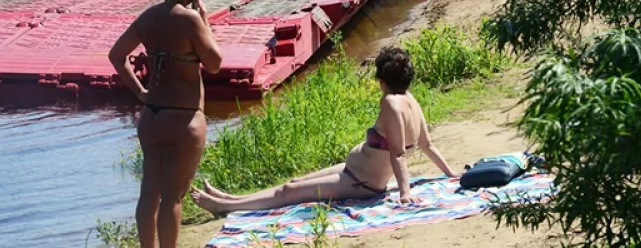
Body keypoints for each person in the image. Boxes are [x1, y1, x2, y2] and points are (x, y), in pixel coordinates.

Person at [190, 46, 456, 213]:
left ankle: (224, 206)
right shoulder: (412, 100)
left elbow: (398, 154)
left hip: (362, 182)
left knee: (287, 192)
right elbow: (427, 145)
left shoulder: (390, 103)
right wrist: (450, 173)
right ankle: (229, 197)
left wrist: (405, 193)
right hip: (354, 170)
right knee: (292, 184)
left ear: (381, 80)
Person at [108, 0, 223, 248]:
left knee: (149, 193)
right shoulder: (190, 19)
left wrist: (141, 93)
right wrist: (205, 22)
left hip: (152, 115)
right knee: (173, 197)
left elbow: (116, 55)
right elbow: (214, 63)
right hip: (184, 118)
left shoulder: (148, 17)